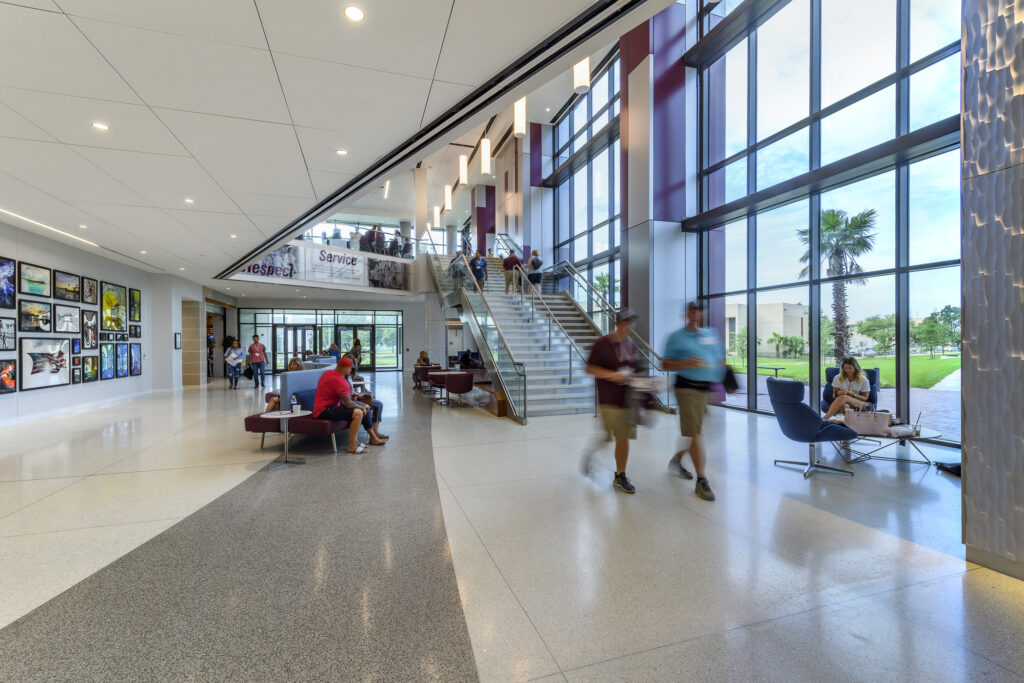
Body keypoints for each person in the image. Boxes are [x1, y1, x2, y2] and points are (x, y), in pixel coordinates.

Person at [663, 301, 726, 502]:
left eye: (697, 311)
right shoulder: (676, 337)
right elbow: (664, 363)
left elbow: (718, 359)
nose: (694, 315)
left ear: (701, 314)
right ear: (685, 315)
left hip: (704, 389)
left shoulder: (710, 335)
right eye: (690, 312)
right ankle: (701, 480)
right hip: (686, 388)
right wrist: (686, 362)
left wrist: (725, 375)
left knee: (692, 433)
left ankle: (677, 460)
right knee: (695, 433)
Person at [582, 308, 640, 494]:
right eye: (624, 323)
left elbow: (635, 370)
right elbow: (590, 368)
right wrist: (612, 375)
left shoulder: (631, 345)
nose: (627, 327)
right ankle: (590, 455)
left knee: (623, 438)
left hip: (626, 400)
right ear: (617, 323)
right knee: (607, 438)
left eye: (630, 323)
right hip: (608, 399)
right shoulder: (602, 343)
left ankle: (620, 475)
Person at [312, 357, 385, 453]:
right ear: (346, 368)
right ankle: (352, 446)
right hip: (324, 410)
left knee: (360, 409)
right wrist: (362, 407)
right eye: (350, 368)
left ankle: (356, 442)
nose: (351, 370)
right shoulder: (341, 381)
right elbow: (347, 403)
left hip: (326, 407)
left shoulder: (328, 373)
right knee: (358, 412)